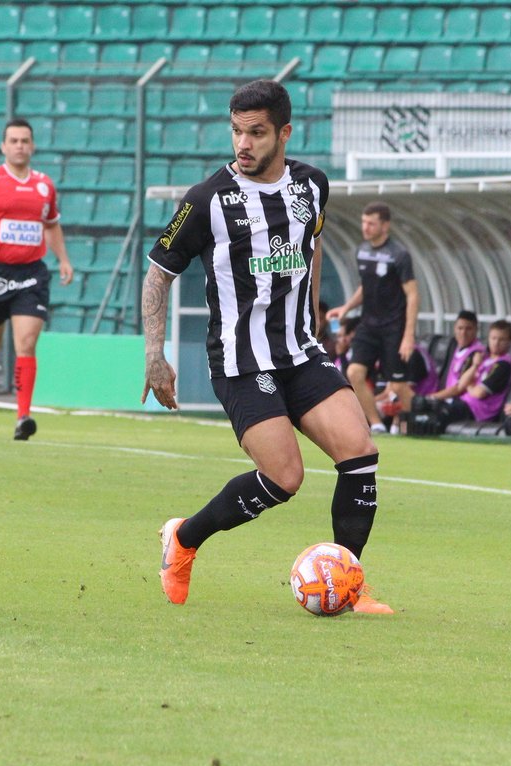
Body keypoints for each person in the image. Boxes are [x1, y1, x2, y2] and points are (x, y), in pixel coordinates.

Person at [142, 79, 393, 615]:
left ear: (283, 133)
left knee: (360, 453)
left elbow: (313, 243)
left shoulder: (311, 186)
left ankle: (349, 583)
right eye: (236, 131)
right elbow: (158, 273)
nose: (243, 144)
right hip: (240, 358)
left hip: (300, 351)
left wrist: (320, 321)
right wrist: (154, 356)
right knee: (285, 478)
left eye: (256, 133)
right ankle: (184, 539)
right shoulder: (206, 200)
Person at [0, 117, 75, 440]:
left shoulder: (44, 185)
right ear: (4, 146)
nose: (20, 146)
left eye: (25, 140)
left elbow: (51, 224)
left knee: (26, 342)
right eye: (14, 141)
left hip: (32, 274)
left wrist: (63, 259)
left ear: (32, 146)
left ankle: (23, 416)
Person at [326, 202, 433, 434]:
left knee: (399, 386)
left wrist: (408, 337)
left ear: (385, 226)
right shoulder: (362, 251)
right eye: (364, 222)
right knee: (354, 373)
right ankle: (375, 423)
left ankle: (420, 420)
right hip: (368, 325)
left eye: (371, 223)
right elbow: (366, 287)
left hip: (394, 328)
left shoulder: (399, 255)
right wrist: (346, 308)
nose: (365, 227)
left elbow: (413, 296)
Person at [428, 319, 511, 430]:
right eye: (493, 338)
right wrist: (475, 366)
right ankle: (404, 430)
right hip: (464, 404)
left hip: (477, 411)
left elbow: (478, 393)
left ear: (509, 341)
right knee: (427, 407)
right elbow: (462, 383)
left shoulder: (503, 365)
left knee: (438, 415)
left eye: (501, 339)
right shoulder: (484, 358)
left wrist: (469, 384)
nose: (496, 343)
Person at [427, 309, 486, 402]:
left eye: (468, 329)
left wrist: (431, 397)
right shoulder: (454, 346)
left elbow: (459, 388)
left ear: (476, 330)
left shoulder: (475, 353)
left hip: (459, 402)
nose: (463, 333)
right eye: (460, 328)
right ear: (454, 329)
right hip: (446, 397)